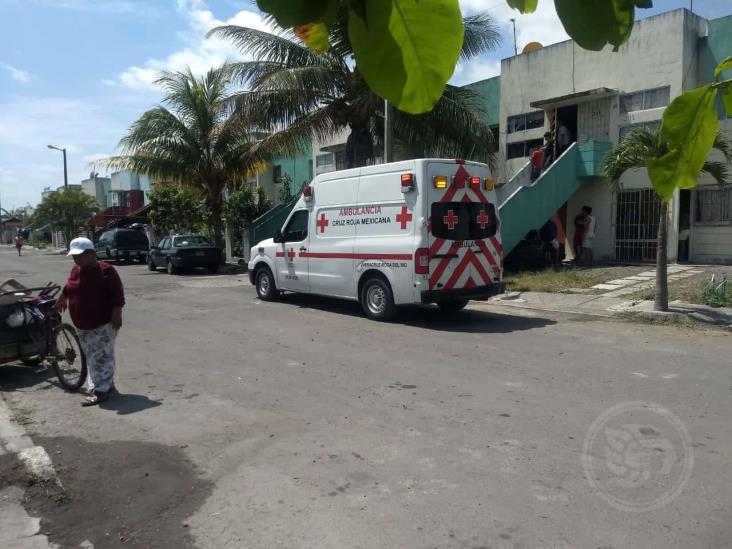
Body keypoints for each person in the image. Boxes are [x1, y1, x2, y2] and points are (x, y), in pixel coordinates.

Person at [55, 237, 125, 406]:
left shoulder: (106, 270)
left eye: (80, 255)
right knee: (92, 356)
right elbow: (70, 286)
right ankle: (107, 386)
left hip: (103, 322)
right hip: (82, 324)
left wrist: (117, 313)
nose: (76, 259)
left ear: (92, 254)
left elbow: (118, 293)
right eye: (74, 256)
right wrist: (63, 297)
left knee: (101, 356)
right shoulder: (76, 270)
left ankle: (99, 391)